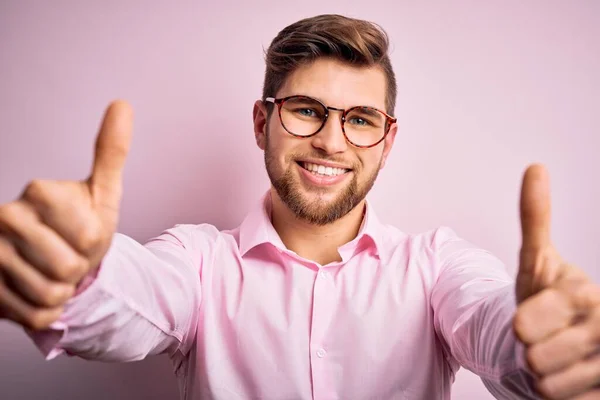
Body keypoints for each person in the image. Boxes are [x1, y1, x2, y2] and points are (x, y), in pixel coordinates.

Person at [0, 14, 599, 400]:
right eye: (307, 110)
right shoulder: (198, 260)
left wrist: (542, 343)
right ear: (263, 123)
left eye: (360, 119)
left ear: (387, 142)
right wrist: (76, 276)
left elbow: (495, 324)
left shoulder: (436, 267)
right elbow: (132, 300)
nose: (332, 142)